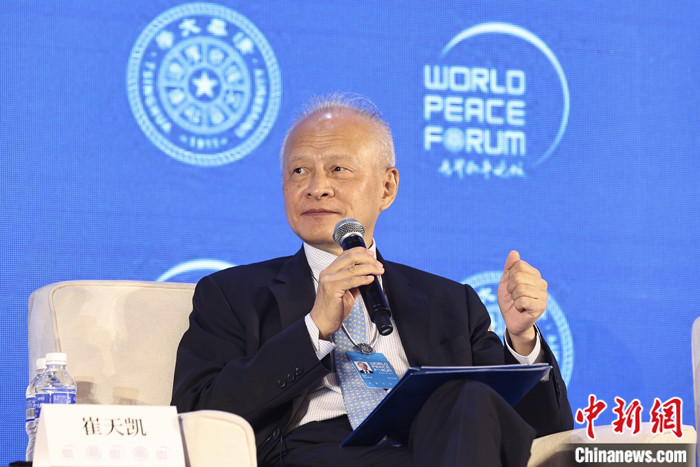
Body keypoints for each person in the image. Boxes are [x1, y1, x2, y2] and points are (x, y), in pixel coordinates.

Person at [171, 93, 573, 466]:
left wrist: (522, 340)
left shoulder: (451, 303)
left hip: (437, 448)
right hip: (313, 453)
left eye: (338, 169)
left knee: (469, 399)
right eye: (299, 171)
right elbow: (198, 416)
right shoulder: (231, 294)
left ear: (387, 187)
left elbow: (541, 433)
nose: (317, 188)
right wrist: (314, 329)